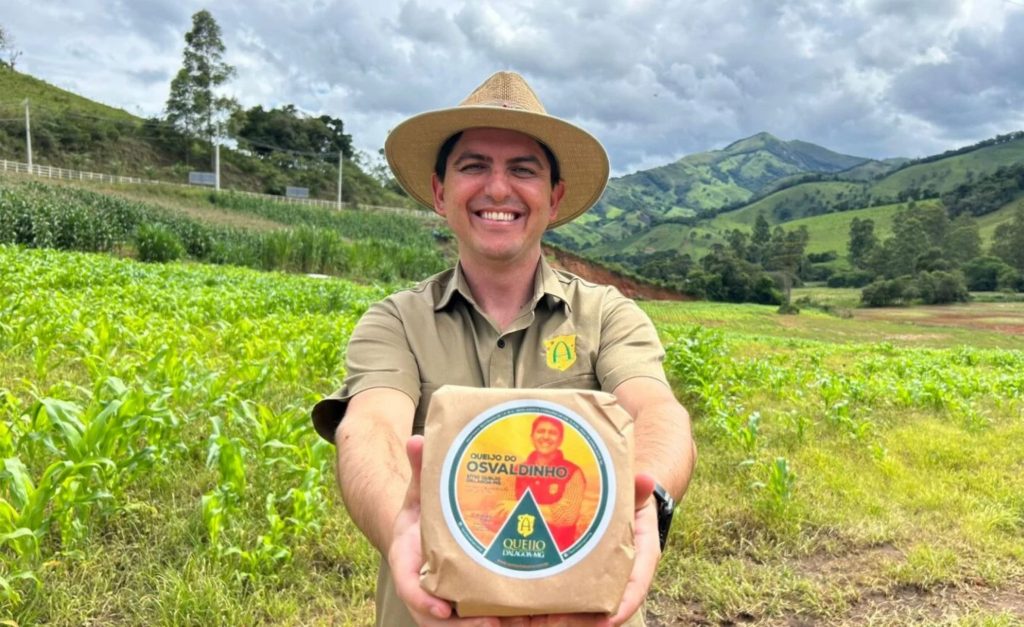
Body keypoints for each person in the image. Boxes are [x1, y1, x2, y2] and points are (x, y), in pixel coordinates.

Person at [312, 71, 696, 627]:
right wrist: (404, 528)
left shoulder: (609, 315)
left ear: (554, 197)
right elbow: (369, 428)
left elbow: (657, 412)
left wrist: (650, 507)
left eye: (523, 170)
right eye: (473, 167)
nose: (497, 189)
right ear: (441, 192)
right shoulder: (395, 322)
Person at [488, 415, 586, 552]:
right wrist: (548, 512)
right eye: (541, 431)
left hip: (558, 553)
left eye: (552, 433)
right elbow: (504, 510)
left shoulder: (574, 473)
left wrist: (519, 508)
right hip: (518, 550)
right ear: (532, 437)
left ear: (560, 440)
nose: (546, 437)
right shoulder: (514, 471)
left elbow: (566, 517)